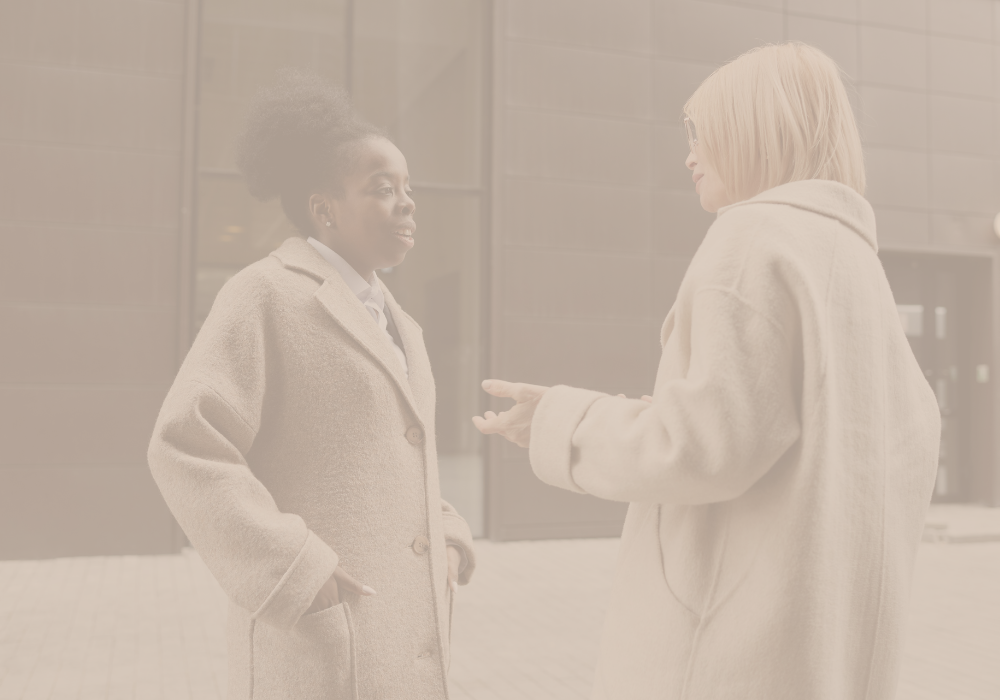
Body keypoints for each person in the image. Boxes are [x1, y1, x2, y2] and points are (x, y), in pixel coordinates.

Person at [473, 42, 940, 699]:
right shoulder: (859, 268)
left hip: (726, 659)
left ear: (755, 131)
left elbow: (700, 447)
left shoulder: (752, 238)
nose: (689, 155)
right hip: (826, 660)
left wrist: (562, 421)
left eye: (702, 133)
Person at [148, 70, 475, 700]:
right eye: (383, 189)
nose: (407, 202)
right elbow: (185, 444)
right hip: (321, 636)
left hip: (405, 631)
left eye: (409, 188)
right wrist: (290, 565)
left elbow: (398, 456)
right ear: (324, 209)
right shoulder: (265, 294)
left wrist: (451, 534)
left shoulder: (401, 324)